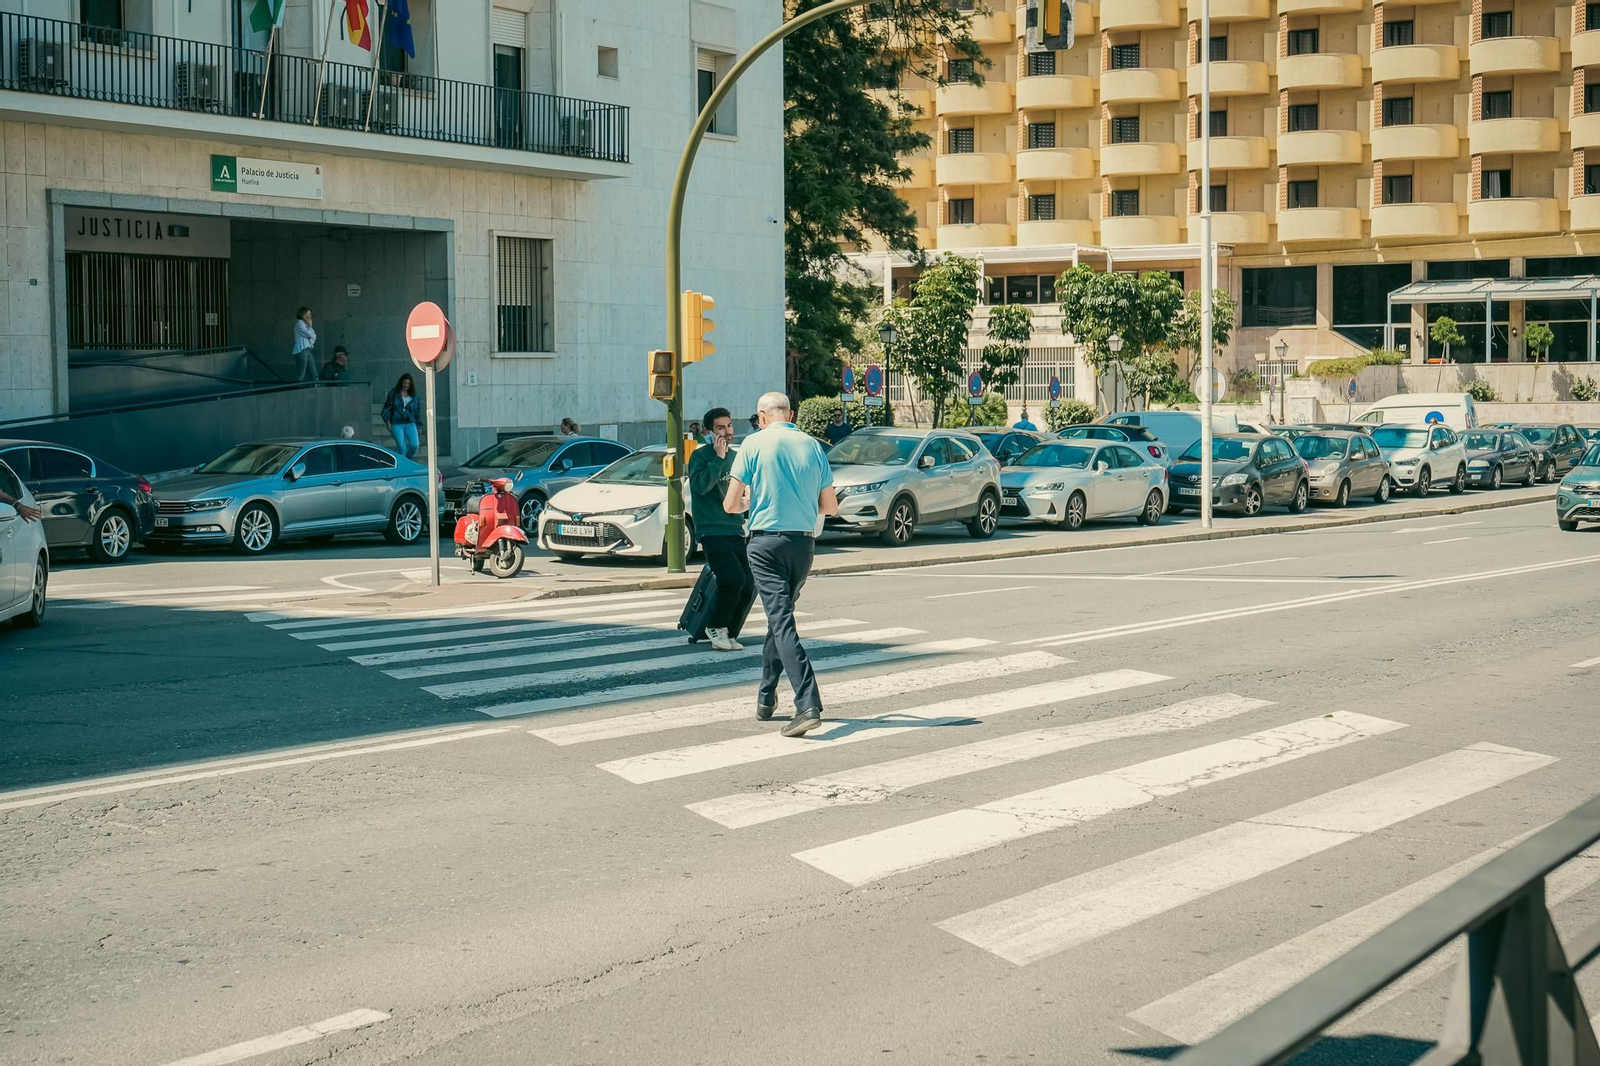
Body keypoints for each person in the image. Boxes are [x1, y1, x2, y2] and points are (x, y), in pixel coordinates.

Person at [724, 391, 838, 737]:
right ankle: (766, 695)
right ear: (791, 414)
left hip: (764, 542)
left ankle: (808, 704)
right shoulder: (812, 446)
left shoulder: (754, 444)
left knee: (781, 621)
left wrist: (749, 502)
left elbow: (730, 504)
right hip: (802, 544)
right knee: (781, 618)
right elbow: (829, 506)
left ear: (762, 416)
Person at [688, 407, 752, 653]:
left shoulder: (736, 457)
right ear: (708, 432)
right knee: (731, 579)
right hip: (711, 530)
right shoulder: (701, 457)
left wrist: (746, 504)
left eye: (728, 426)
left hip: (734, 528)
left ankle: (729, 632)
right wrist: (717, 457)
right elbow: (702, 487)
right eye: (720, 427)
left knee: (747, 583)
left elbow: (740, 491)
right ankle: (715, 626)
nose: (726, 431)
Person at [382, 373, 421, 458]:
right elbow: (387, 407)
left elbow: (417, 411)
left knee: (415, 445)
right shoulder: (394, 393)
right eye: (404, 383)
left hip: (410, 423)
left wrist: (419, 426)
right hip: (396, 423)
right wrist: (387, 421)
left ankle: (407, 458)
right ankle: (402, 462)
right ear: (401, 383)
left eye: (408, 383)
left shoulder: (414, 396)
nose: (406, 385)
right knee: (401, 446)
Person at [291, 307, 317, 382]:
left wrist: (310, 328)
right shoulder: (300, 323)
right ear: (303, 314)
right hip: (301, 349)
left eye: (310, 314)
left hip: (307, 349)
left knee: (313, 372)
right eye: (308, 314)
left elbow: (314, 336)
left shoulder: (307, 325)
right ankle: (298, 387)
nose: (310, 316)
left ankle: (315, 385)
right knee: (301, 373)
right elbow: (308, 334)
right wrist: (310, 327)